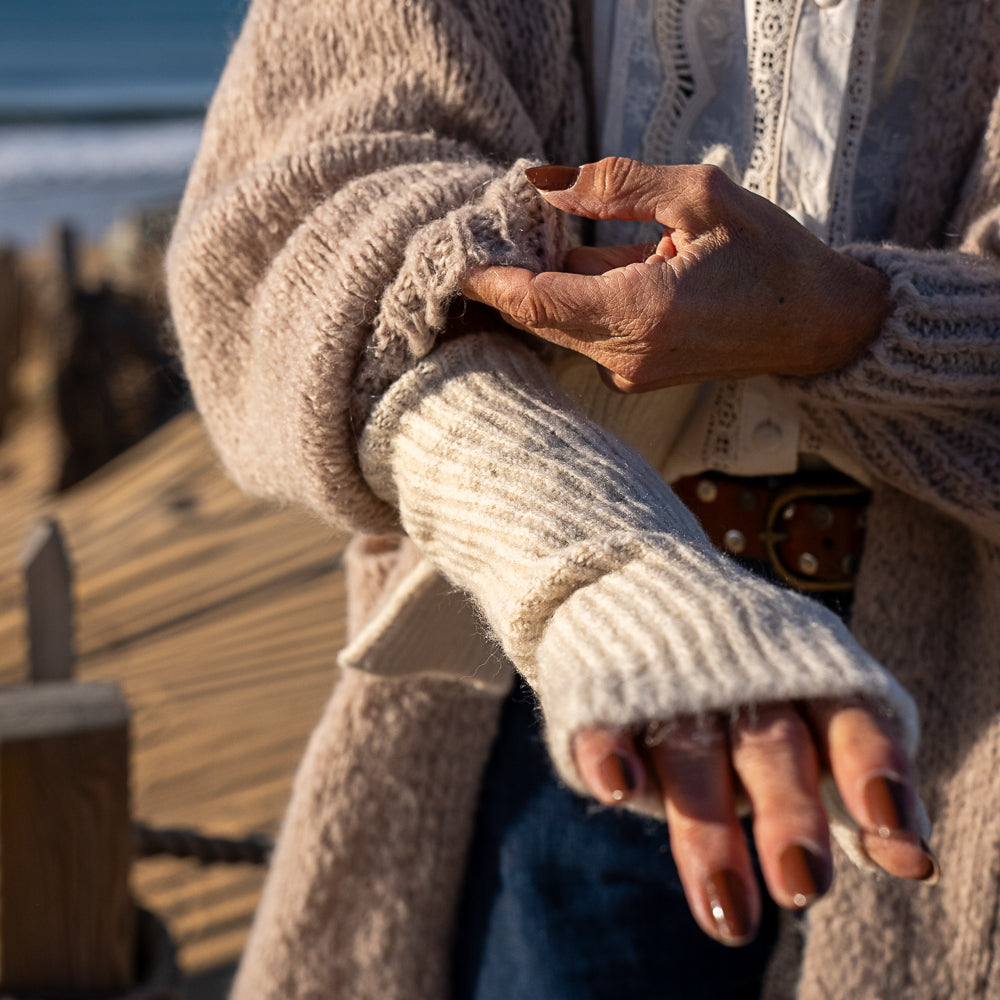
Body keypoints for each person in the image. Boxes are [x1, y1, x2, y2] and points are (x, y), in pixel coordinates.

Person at [166, 0, 1000, 996]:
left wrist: (853, 321)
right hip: (550, 682)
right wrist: (599, 571)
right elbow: (288, 218)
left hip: (970, 703)